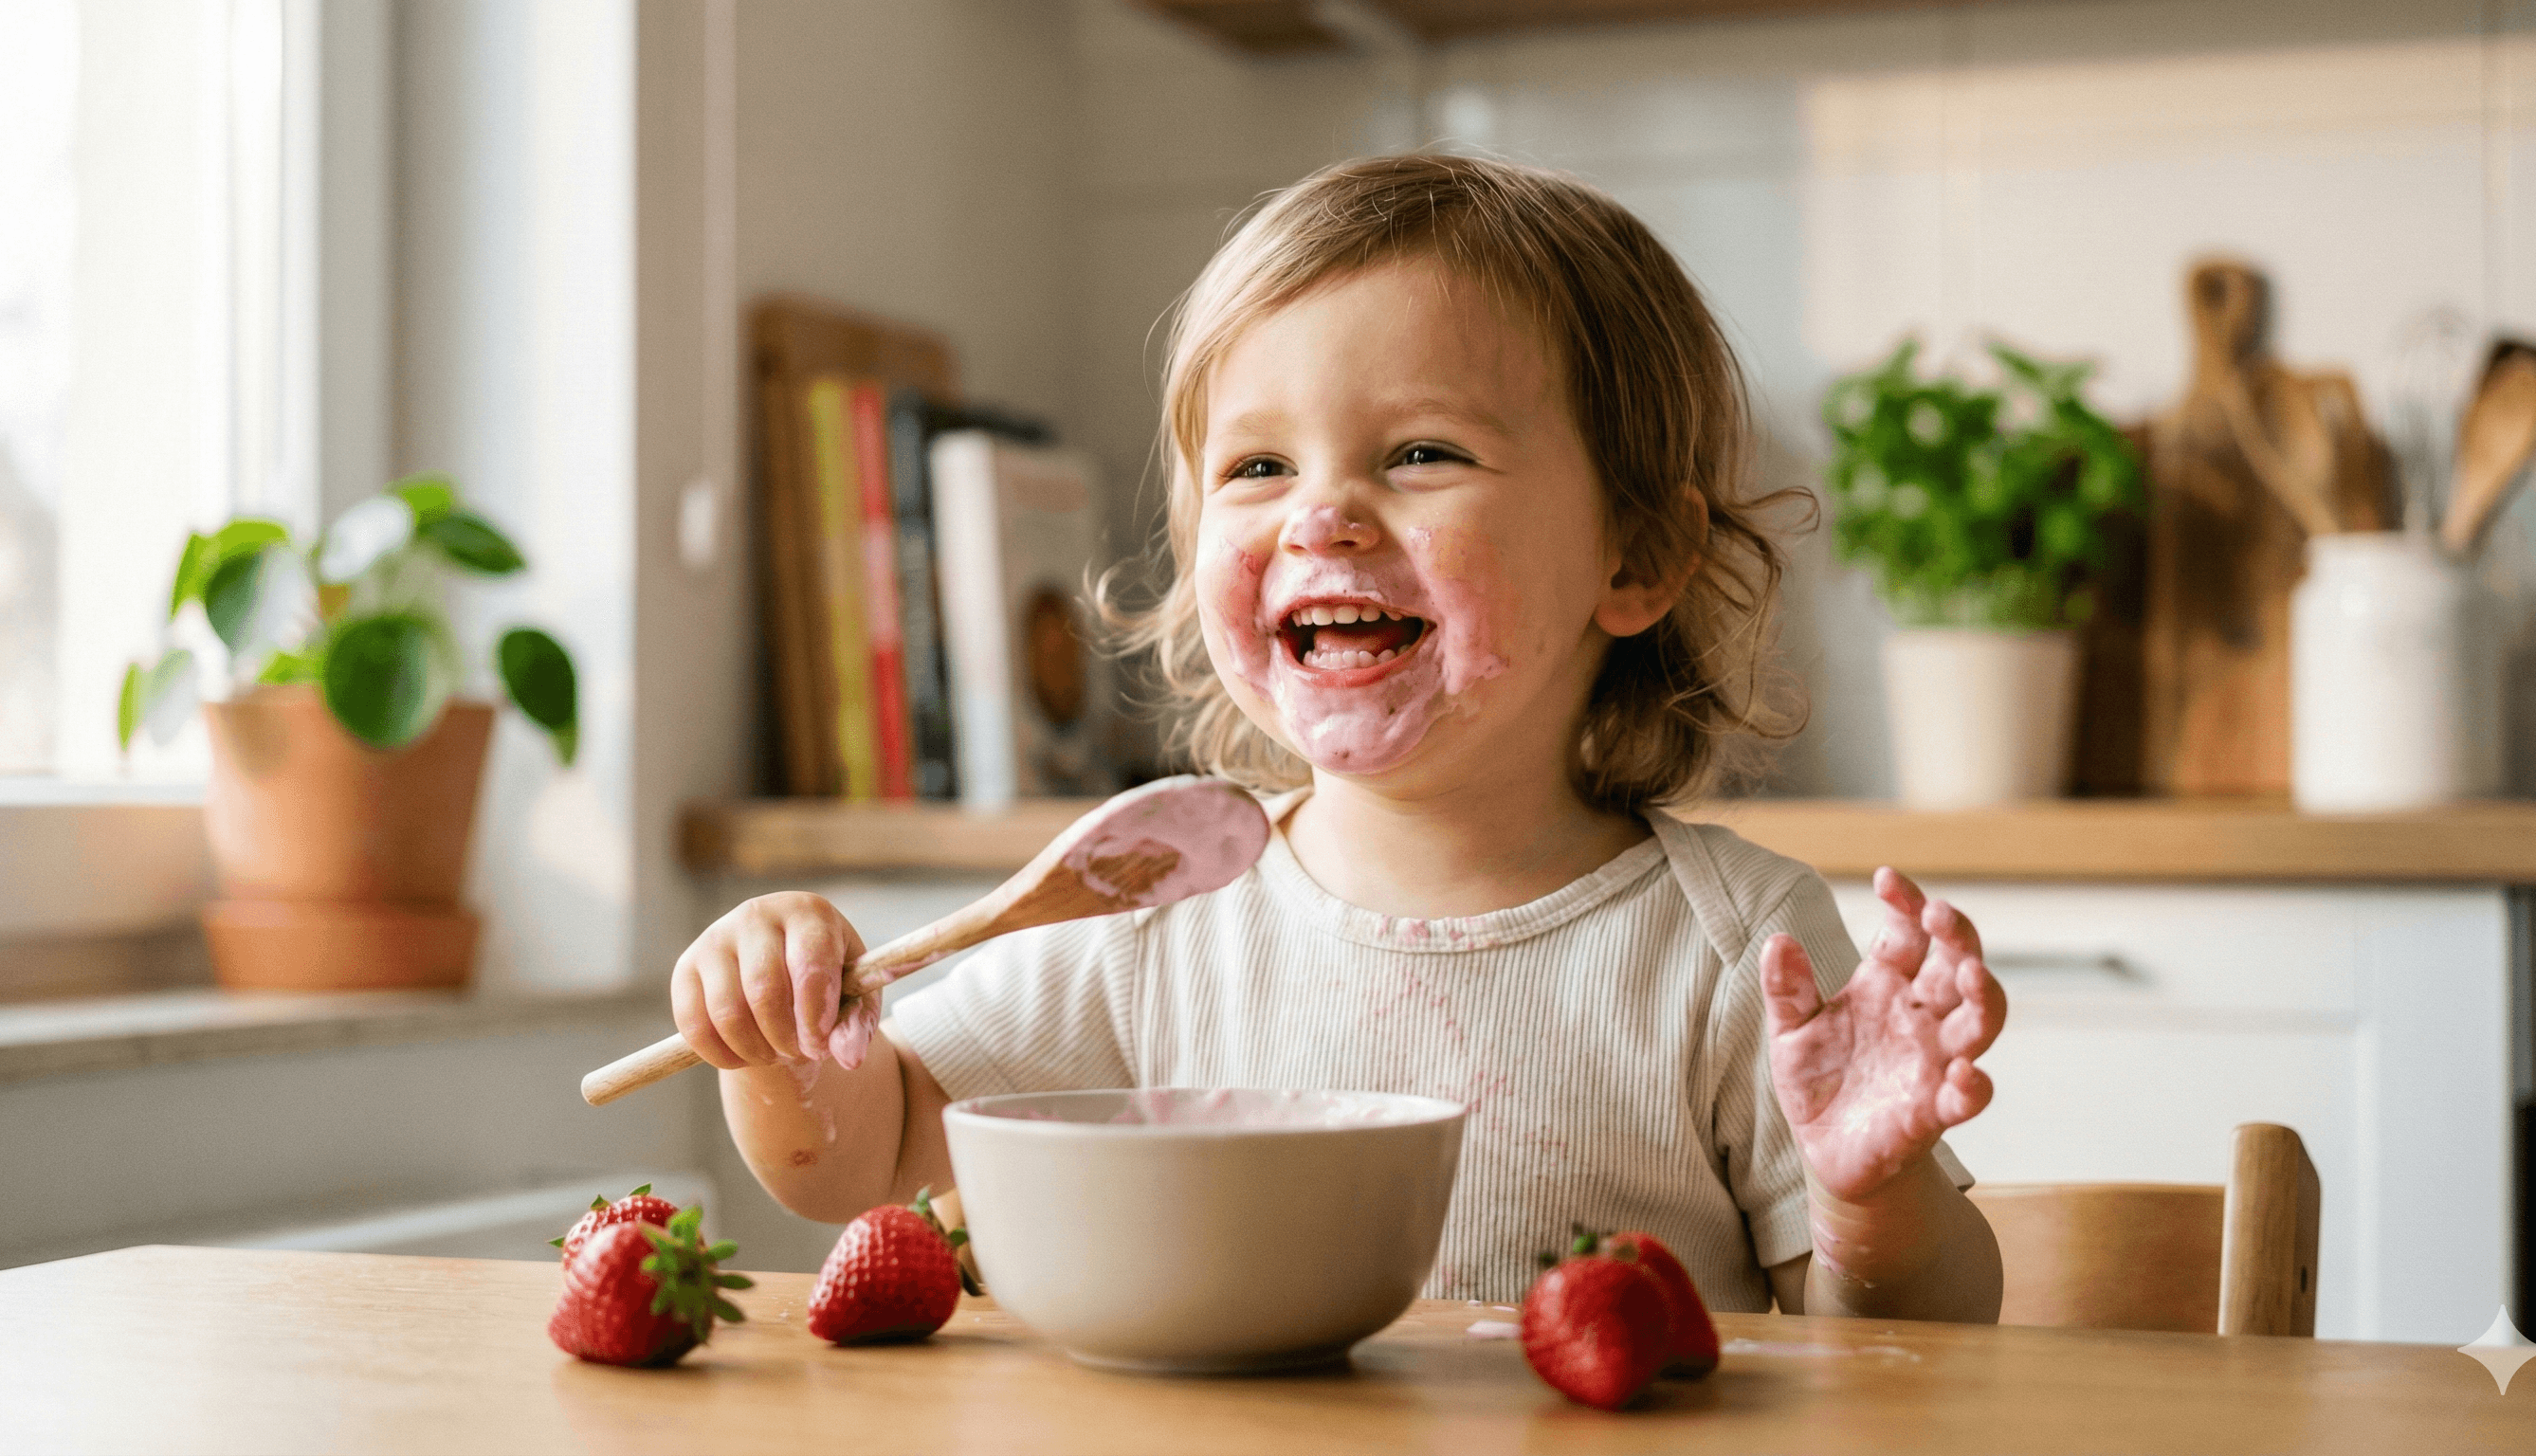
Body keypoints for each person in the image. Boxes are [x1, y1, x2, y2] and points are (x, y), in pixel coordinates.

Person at [674, 154, 2006, 1319]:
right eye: (1258, 468)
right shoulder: (1148, 909)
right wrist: (782, 1038)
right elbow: (859, 1160)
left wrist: (1871, 1202)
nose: (1320, 516)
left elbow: (1904, 1351)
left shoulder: (1733, 950)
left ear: (1638, 555)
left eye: (1422, 452)